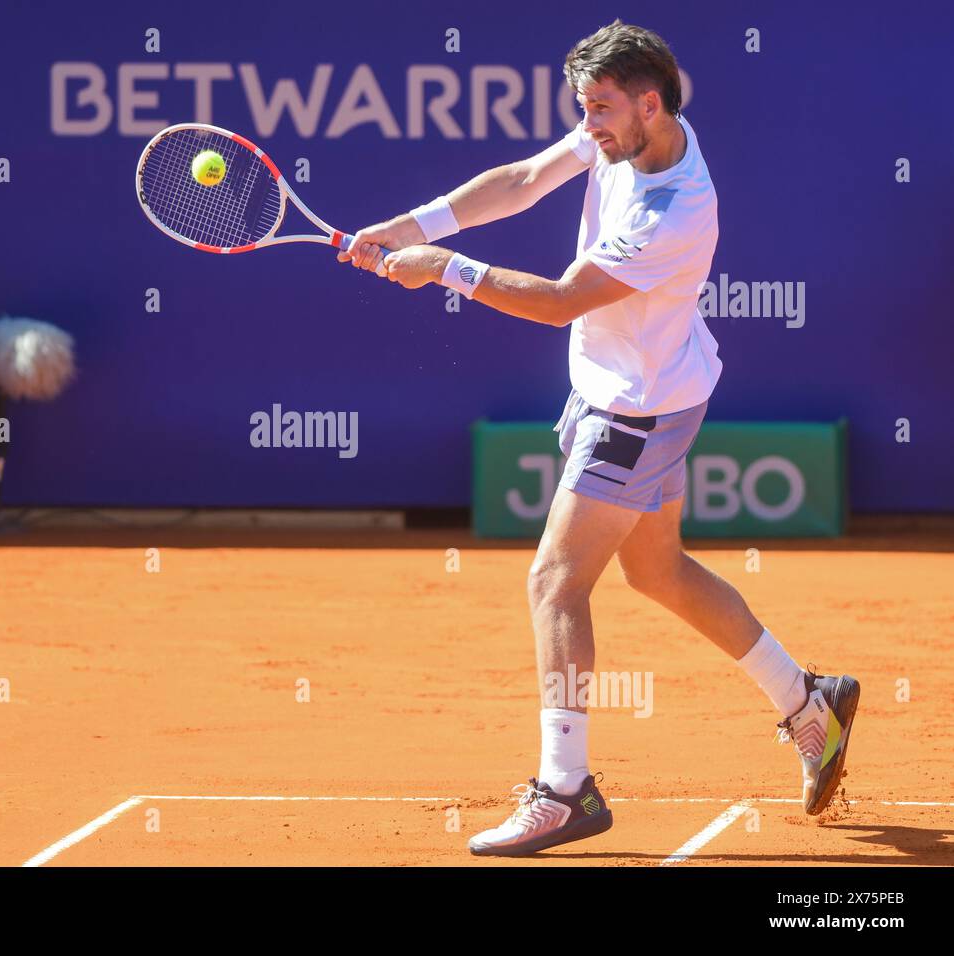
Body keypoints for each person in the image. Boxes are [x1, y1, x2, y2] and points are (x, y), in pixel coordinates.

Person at [338, 19, 859, 858]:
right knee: (657, 570)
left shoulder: (671, 208)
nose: (588, 126)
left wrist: (446, 269)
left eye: (602, 109)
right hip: (641, 386)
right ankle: (809, 701)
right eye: (583, 108)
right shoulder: (619, 135)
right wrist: (413, 226)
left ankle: (565, 789)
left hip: (637, 409)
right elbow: (520, 180)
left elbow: (557, 300)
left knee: (555, 581)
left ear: (649, 104)